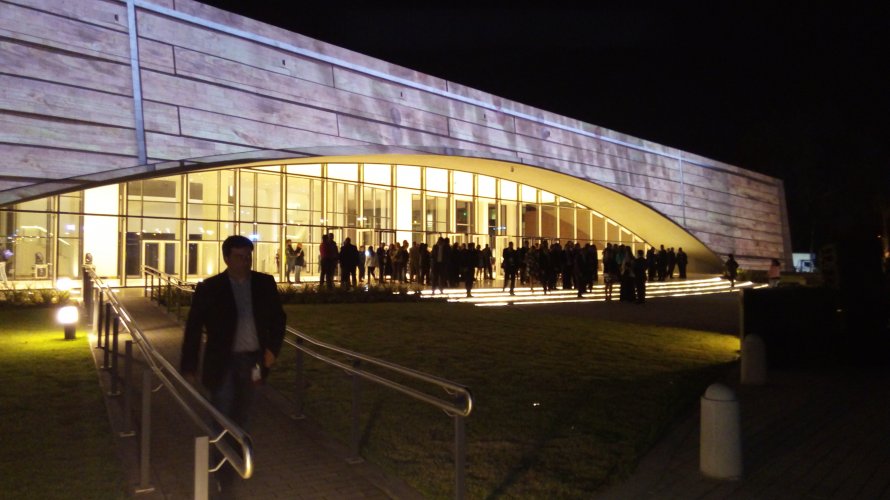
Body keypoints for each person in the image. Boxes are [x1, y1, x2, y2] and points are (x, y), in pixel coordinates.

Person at [180, 235, 286, 498]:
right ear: (226, 258)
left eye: (248, 256)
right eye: (239, 256)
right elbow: (194, 327)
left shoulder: (263, 283)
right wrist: (189, 363)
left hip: (253, 362)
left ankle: (237, 457)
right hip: (223, 362)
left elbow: (278, 318)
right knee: (222, 413)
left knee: (245, 413)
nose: (245, 261)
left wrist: (272, 349)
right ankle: (222, 469)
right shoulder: (211, 288)